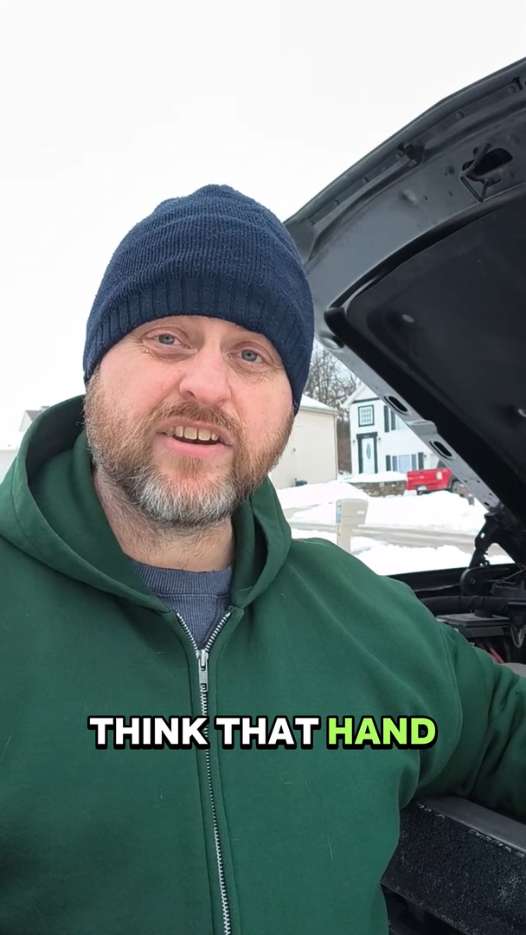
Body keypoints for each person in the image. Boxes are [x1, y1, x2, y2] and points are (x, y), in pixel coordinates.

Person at [1, 185, 525, 935]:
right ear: (96, 368)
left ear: (286, 405)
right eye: (168, 338)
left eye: (251, 354)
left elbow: (501, 729)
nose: (207, 385)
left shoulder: (363, 619)